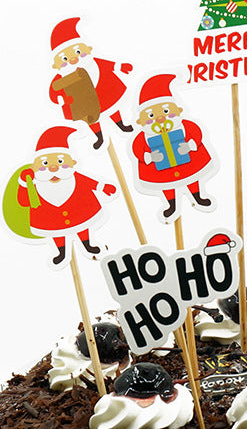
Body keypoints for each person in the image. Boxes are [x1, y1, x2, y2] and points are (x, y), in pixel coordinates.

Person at [17, 126, 116, 265]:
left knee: (82, 224)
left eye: (60, 161)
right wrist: (24, 183)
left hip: (78, 210)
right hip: (51, 218)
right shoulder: (36, 185)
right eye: (45, 163)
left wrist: (103, 187)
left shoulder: (74, 178)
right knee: (56, 232)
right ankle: (61, 252)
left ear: (73, 163)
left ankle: (87, 244)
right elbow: (23, 201)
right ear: (34, 168)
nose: (53, 168)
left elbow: (89, 182)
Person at [130, 73, 217, 222]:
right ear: (140, 121)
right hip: (160, 170)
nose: (160, 118)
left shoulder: (185, 126)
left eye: (165, 111)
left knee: (192, 178)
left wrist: (190, 145)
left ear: (178, 111)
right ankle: (172, 205)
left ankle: (197, 197)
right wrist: (149, 156)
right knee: (167, 185)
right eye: (151, 115)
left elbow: (196, 133)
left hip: (189, 164)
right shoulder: (143, 136)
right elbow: (136, 149)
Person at [48, 17, 133, 149]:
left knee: (112, 109)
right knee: (91, 118)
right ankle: (99, 137)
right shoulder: (62, 77)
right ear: (56, 65)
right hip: (83, 102)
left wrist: (120, 67)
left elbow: (106, 65)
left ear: (88, 49)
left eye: (77, 52)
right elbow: (54, 91)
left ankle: (121, 124)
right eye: (65, 58)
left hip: (104, 94)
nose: (74, 59)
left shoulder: (93, 64)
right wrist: (60, 99)